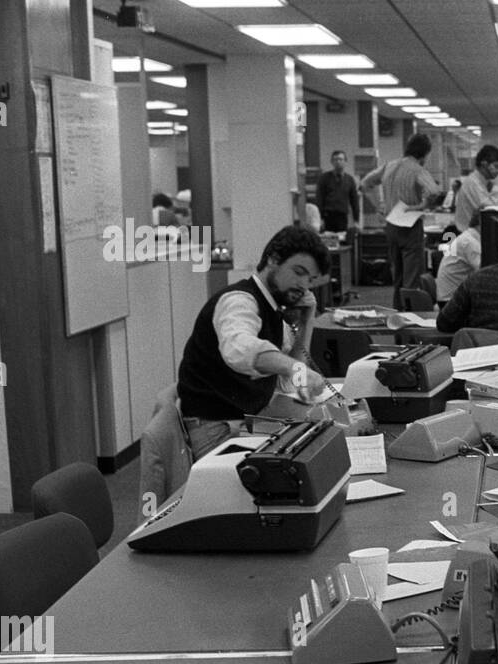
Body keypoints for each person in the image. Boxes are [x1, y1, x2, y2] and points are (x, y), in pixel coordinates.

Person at [176, 225, 330, 460]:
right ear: (273, 259)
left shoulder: (274, 306)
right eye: (298, 272)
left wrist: (308, 321)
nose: (303, 285)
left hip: (249, 419)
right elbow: (240, 348)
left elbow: (291, 383)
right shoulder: (239, 301)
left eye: (309, 279)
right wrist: (296, 368)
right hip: (217, 427)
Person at [362, 133, 444, 309]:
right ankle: (411, 322)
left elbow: (365, 183)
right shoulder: (417, 169)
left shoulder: (389, 166)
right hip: (410, 226)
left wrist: (379, 205)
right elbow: (434, 191)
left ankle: (397, 320)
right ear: (425, 153)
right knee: (411, 280)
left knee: (397, 278)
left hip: (391, 225)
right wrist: (420, 206)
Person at [454, 144, 498, 231]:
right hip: (468, 236)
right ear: (484, 164)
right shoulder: (473, 183)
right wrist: (497, 187)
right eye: (496, 166)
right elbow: (491, 210)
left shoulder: (481, 182)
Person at [435, 224, 481, 303]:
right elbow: (486, 271)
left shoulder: (468, 237)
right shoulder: (469, 242)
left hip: (450, 299)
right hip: (450, 303)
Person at [315, 150, 359, 233]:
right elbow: (319, 199)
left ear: (345, 162)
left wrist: (356, 221)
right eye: (335, 159)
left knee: (342, 240)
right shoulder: (324, 178)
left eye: (340, 159)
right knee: (328, 241)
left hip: (342, 216)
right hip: (328, 216)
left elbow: (354, 201)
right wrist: (320, 219)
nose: (338, 162)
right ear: (332, 162)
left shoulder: (349, 180)